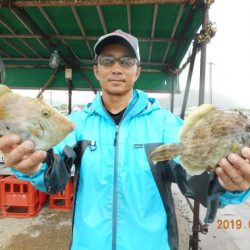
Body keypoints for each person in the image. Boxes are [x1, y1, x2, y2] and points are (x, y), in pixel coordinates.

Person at [0, 29, 250, 250]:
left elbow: (195, 179)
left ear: (137, 71)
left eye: (126, 61)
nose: (117, 68)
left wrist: (230, 183)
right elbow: (53, 176)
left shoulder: (165, 124)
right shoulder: (77, 123)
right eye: (107, 60)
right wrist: (33, 166)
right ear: (96, 70)